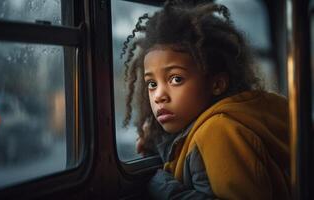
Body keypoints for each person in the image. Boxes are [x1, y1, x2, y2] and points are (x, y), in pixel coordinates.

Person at [121, 1, 290, 199]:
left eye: (176, 79)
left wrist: (162, 186)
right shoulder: (210, 125)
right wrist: (156, 142)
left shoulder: (219, 131)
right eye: (152, 84)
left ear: (216, 84)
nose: (159, 96)